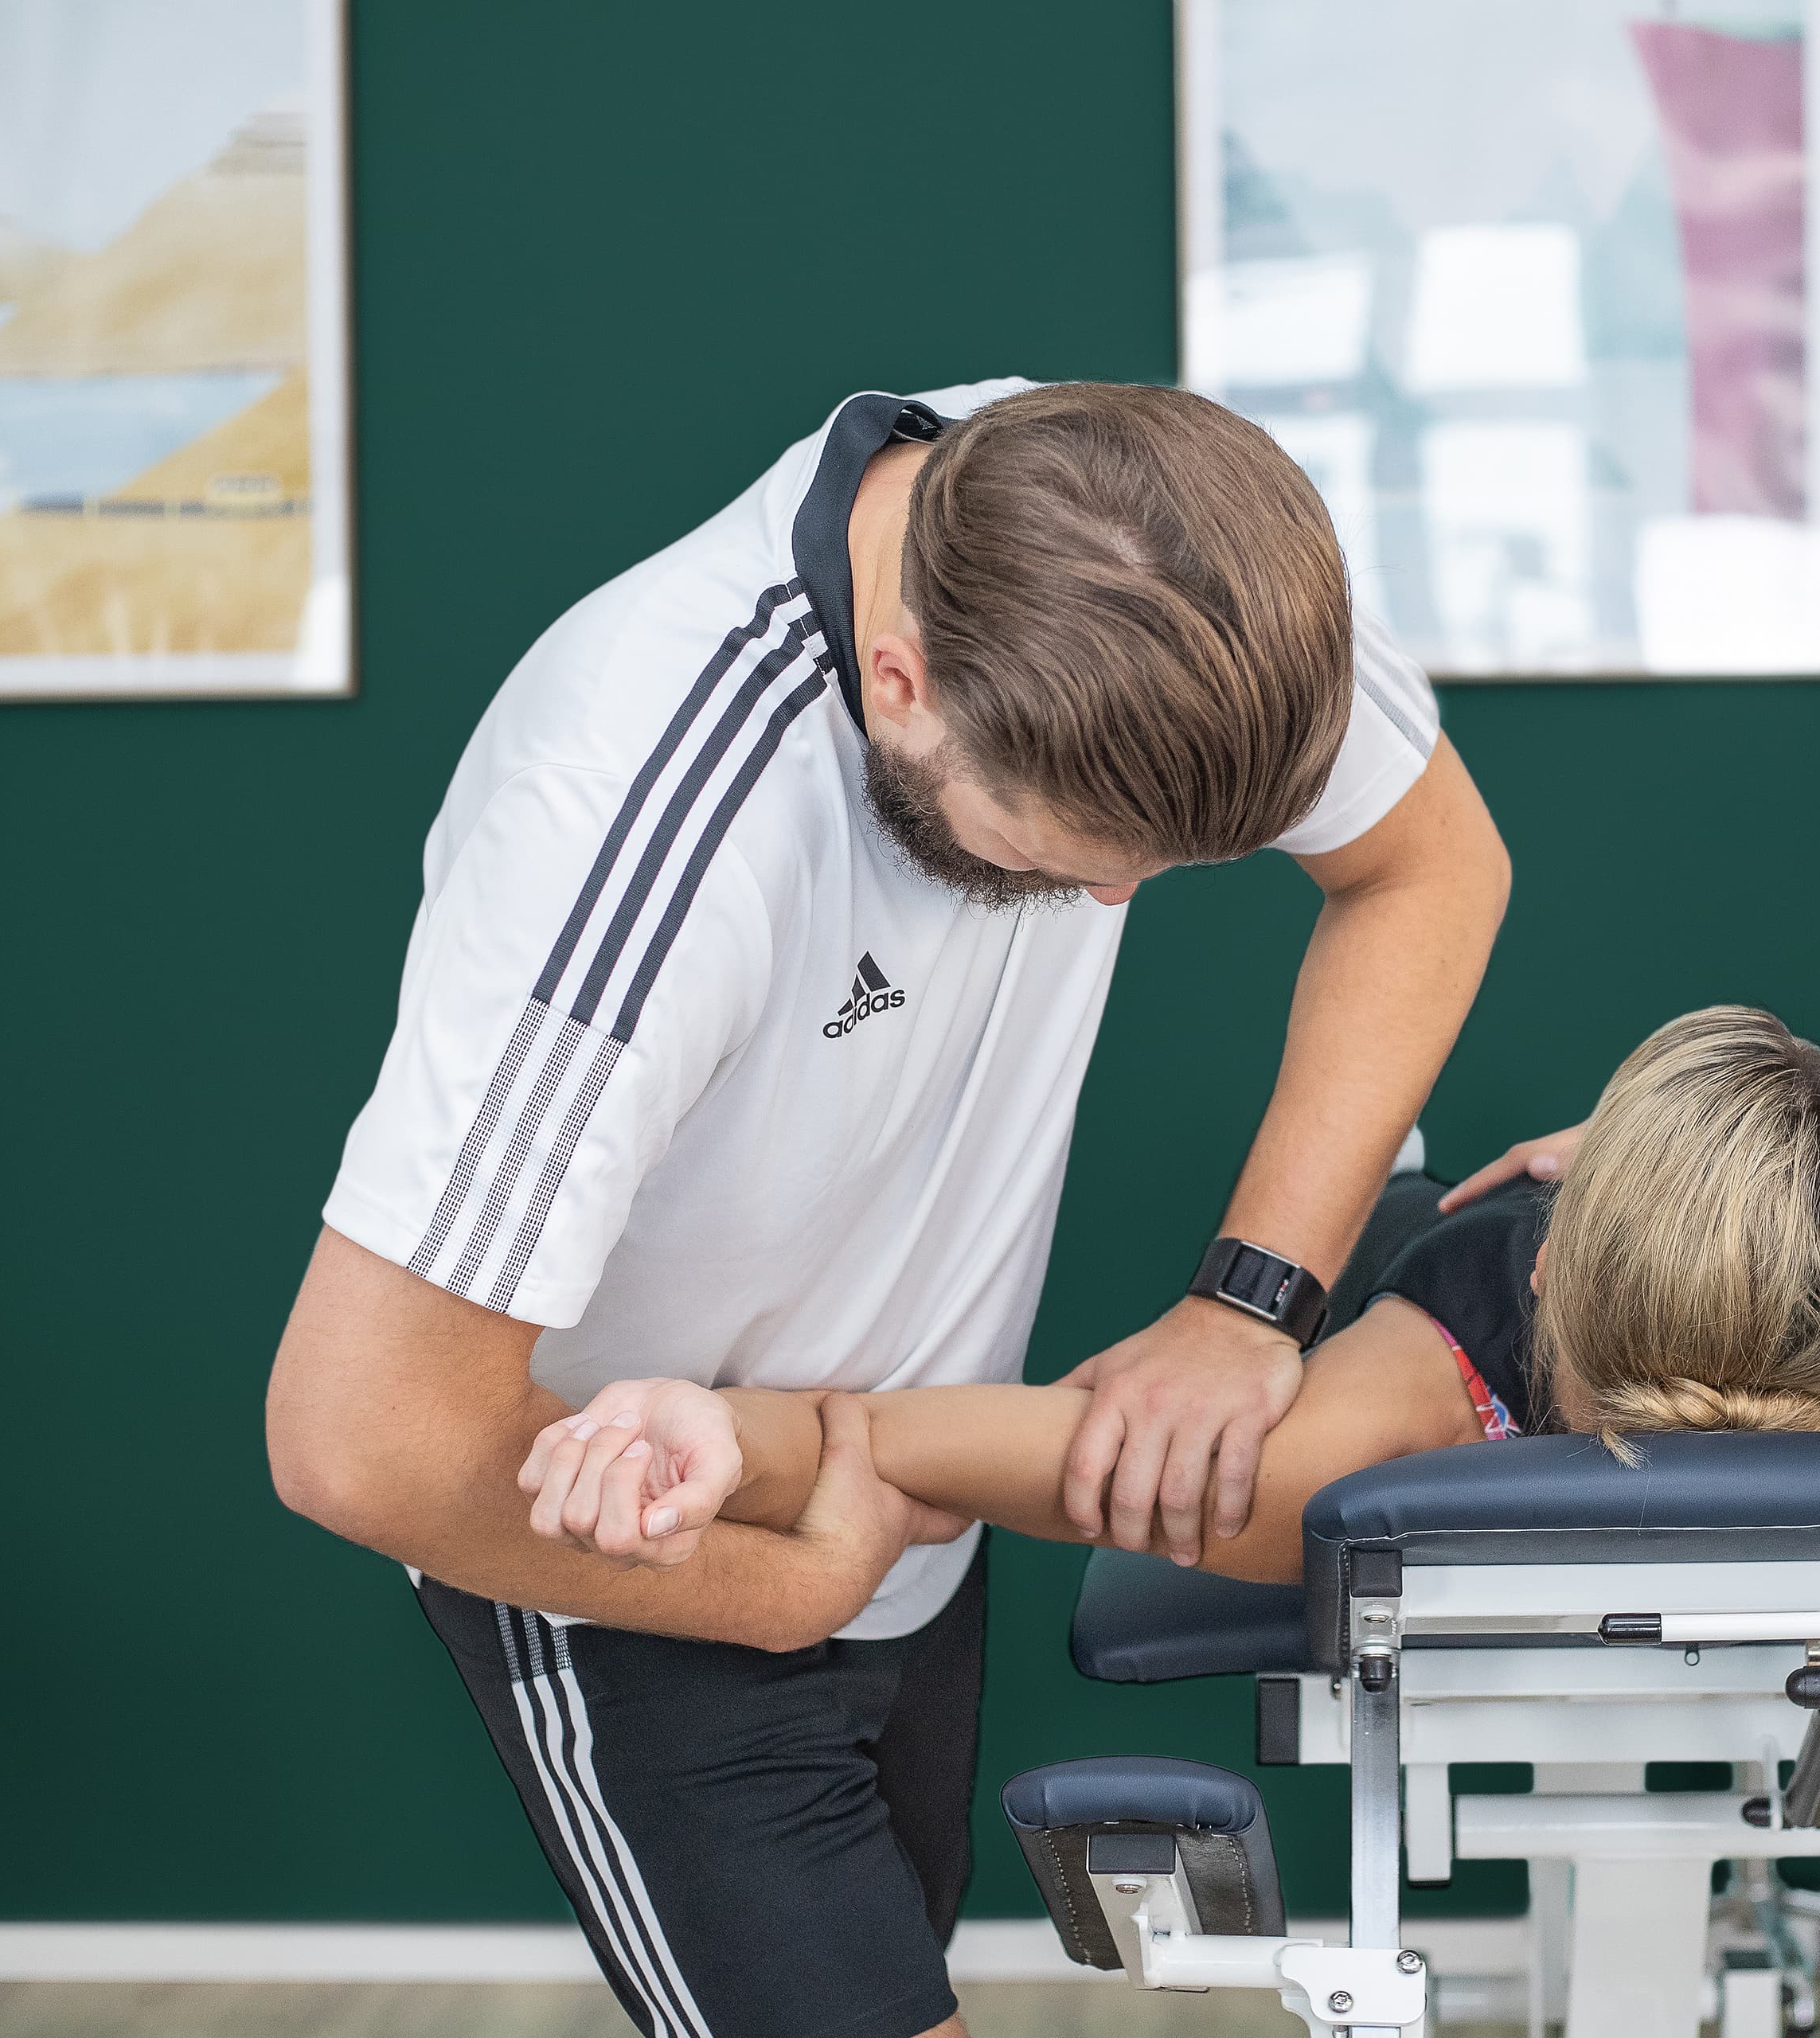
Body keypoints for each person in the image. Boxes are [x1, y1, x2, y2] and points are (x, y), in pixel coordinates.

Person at [265, 378, 1510, 2038]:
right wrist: (788, 1584)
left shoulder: (1157, 561)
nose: (1116, 900)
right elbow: (361, 1436)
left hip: (908, 1513)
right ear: (905, 680)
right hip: (644, 1552)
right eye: (1078, 850)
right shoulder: (637, 817)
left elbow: (1432, 863)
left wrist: (1252, 1297)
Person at [521, 1007, 1820, 1591]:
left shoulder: (1352, 1477)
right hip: (1462, 1309)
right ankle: (1414, 1172)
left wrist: (706, 1427)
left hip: (1554, 1325)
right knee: (1400, 1213)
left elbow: (905, 1444)